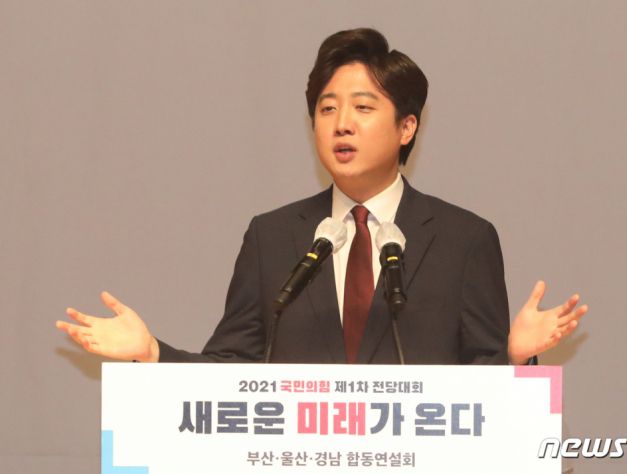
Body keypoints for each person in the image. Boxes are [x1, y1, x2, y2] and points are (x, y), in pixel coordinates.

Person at [56, 28, 587, 365]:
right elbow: (231, 371)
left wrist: (516, 358)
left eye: (363, 107)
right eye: (327, 108)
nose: (341, 124)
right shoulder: (272, 237)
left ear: (406, 127)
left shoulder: (464, 239)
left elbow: (483, 384)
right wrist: (152, 353)